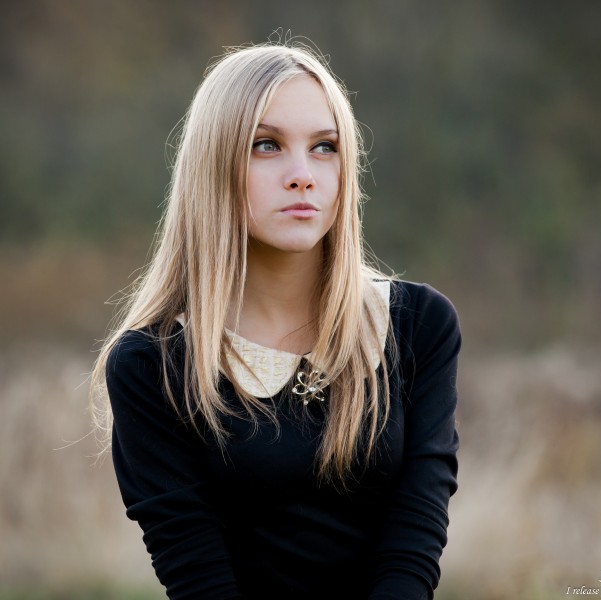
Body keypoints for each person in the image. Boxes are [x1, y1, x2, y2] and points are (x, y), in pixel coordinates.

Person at [91, 42, 461, 600]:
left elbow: (415, 541)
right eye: (266, 146)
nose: (302, 175)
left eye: (324, 147)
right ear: (214, 165)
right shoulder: (153, 365)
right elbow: (199, 579)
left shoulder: (417, 325)